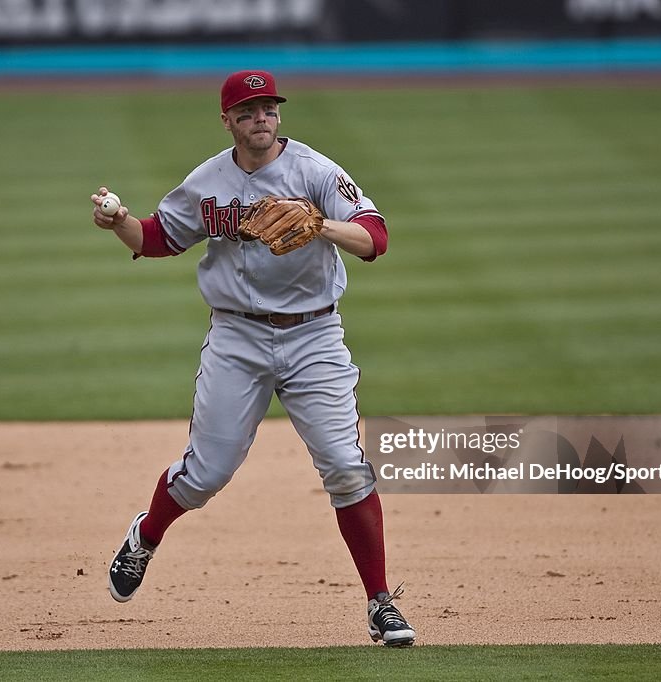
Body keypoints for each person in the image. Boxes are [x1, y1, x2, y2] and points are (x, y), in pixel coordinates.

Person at [90, 70, 415, 647]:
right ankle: (146, 536)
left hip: (314, 336)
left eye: (268, 109)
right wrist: (118, 222)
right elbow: (158, 237)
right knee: (204, 475)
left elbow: (377, 238)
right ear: (228, 121)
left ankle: (379, 602)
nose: (260, 119)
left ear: (278, 115)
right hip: (237, 340)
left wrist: (322, 226)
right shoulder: (208, 180)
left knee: (344, 464)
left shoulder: (315, 172)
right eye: (247, 112)